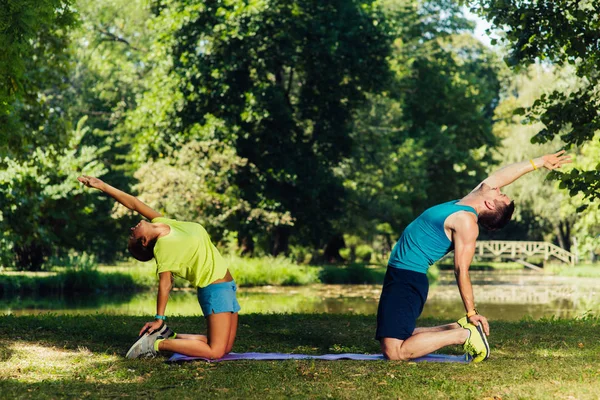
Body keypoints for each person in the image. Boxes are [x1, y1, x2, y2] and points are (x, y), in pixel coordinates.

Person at [376, 151, 572, 362]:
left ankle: (465, 334)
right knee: (398, 336)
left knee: (394, 352)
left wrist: (472, 311)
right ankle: (458, 328)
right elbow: (502, 175)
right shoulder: (464, 202)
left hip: (408, 278)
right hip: (400, 274)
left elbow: (462, 270)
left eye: (499, 194)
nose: (498, 187)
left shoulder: (466, 222)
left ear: (489, 204)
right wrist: (539, 162)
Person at [78, 175, 240, 359]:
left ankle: (168, 335)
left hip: (228, 286)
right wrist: (159, 318)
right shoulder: (164, 245)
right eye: (133, 236)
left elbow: (134, 204)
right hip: (214, 289)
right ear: (145, 241)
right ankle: (157, 344)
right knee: (216, 351)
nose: (131, 230)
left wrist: (103, 186)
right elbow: (165, 284)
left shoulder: (166, 225)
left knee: (225, 348)